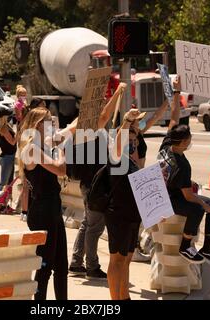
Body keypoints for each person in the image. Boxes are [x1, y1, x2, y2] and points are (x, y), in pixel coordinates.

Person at [159, 77, 210, 267]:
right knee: (198, 208)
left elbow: (174, 117)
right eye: (189, 139)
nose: (190, 141)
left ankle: (207, 249)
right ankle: (185, 245)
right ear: (182, 143)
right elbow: (189, 197)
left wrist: (177, 91)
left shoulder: (166, 145)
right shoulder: (181, 165)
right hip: (170, 200)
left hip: (171, 191)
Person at [69, 82, 127, 281]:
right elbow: (104, 117)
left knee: (89, 223)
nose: (103, 103)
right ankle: (92, 266)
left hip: (93, 182)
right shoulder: (86, 124)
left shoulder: (93, 126)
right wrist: (117, 93)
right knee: (95, 227)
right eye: (99, 101)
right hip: (93, 184)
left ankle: (76, 262)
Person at [18, 107, 77, 300]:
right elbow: (61, 170)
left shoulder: (43, 144)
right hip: (43, 212)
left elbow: (73, 128)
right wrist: (61, 150)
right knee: (45, 267)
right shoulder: (32, 148)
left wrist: (85, 112)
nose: (53, 124)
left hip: (52, 208)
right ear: (37, 125)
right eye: (49, 121)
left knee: (61, 265)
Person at [105, 108, 143, 300]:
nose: (133, 143)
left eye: (135, 141)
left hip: (132, 214)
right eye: (130, 140)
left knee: (127, 258)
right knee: (117, 259)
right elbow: (119, 143)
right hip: (118, 213)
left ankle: (124, 296)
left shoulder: (131, 161)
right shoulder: (116, 157)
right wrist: (127, 120)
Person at [128, 101, 169, 262]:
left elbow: (155, 117)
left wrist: (167, 100)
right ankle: (133, 248)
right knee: (137, 217)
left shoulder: (137, 132)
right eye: (138, 119)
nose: (141, 121)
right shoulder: (129, 136)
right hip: (134, 177)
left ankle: (136, 245)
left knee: (143, 216)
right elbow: (131, 159)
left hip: (139, 175)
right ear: (132, 122)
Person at [0, 109, 17, 195]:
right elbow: (12, 142)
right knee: (4, 182)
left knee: (9, 182)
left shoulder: (6, 126)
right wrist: (18, 133)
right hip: (7, 157)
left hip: (9, 156)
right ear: (3, 117)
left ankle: (6, 203)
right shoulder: (3, 128)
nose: (9, 116)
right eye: (7, 115)